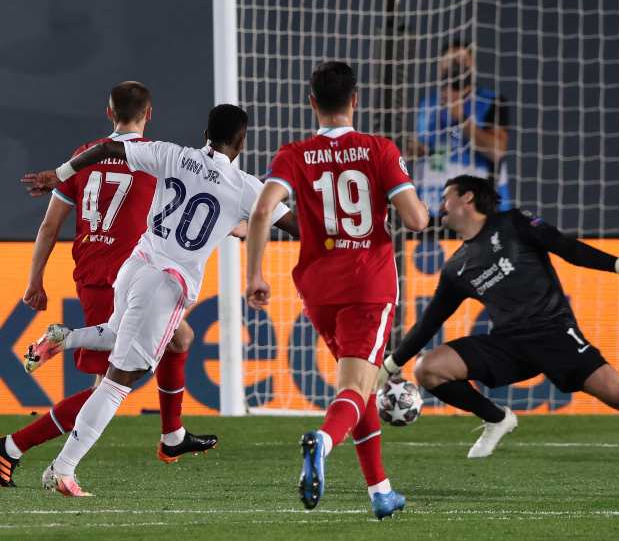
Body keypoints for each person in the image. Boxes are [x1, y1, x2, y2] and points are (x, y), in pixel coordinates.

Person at [19, 103, 298, 497]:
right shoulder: (246, 187)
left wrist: (60, 174)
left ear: (206, 133)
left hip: (135, 264)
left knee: (116, 334)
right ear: (241, 140)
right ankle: (62, 469)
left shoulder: (172, 154)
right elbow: (297, 226)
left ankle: (65, 338)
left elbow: (106, 150)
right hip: (166, 284)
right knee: (119, 383)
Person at [376, 175, 619, 459]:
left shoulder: (514, 223)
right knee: (429, 369)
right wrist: (392, 365)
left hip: (554, 334)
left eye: (446, 196)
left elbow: (569, 249)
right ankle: (496, 418)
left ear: (467, 197)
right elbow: (430, 322)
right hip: (509, 346)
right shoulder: (456, 268)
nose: (441, 204)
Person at [1, 82, 217, 489]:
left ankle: (173, 435)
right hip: (128, 279)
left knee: (180, 338)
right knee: (110, 388)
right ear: (149, 113)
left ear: (108, 112)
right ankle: (12, 447)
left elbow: (50, 225)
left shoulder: (84, 155)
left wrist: (35, 280)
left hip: (92, 273)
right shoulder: (154, 159)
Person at [245, 61, 429, 519]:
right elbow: (416, 220)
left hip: (319, 290)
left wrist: (255, 275)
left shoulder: (293, 154)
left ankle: (380, 490)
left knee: (362, 388)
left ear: (312, 103)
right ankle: (322, 443)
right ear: (356, 100)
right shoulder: (379, 149)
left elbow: (263, 210)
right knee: (355, 385)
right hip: (368, 286)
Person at [409, 40, 512, 223]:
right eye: (450, 61)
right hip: (433, 209)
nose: (456, 66)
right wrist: (417, 150)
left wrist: (460, 118)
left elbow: (497, 151)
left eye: (462, 60)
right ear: (440, 67)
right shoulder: (428, 104)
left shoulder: (490, 101)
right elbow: (428, 149)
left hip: (479, 212)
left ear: (473, 65)